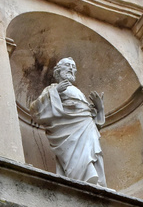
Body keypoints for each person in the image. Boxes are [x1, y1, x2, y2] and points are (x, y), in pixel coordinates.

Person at [30, 57, 106, 185]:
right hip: (68, 131)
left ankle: (94, 182)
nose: (71, 68)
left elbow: (93, 120)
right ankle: (81, 181)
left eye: (73, 66)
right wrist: (56, 92)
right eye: (67, 65)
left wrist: (100, 109)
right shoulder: (52, 88)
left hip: (87, 128)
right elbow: (35, 110)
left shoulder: (78, 91)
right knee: (78, 158)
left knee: (91, 152)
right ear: (58, 70)